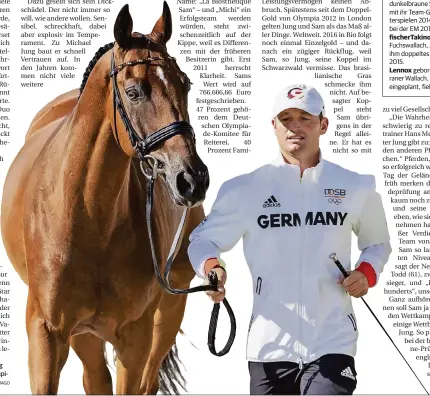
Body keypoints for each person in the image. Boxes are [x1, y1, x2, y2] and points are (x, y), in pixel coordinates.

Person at [187, 84, 391, 395]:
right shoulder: (244, 189)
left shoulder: (355, 186)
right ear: (273, 126)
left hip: (332, 342)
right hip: (268, 348)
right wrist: (213, 268)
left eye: (305, 118)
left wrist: (366, 273)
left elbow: (377, 242)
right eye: (286, 118)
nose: (295, 127)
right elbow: (202, 241)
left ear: (323, 125)